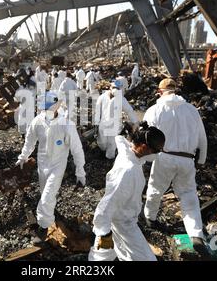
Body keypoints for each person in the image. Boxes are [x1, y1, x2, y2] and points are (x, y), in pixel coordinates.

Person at [143, 78, 208, 255]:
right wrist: (201, 160)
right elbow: (202, 138)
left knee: (156, 189)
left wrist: (146, 160)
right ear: (176, 91)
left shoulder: (154, 110)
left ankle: (150, 218)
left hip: (164, 157)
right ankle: (196, 235)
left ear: (160, 92)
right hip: (187, 159)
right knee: (188, 196)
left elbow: (145, 137)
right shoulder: (192, 110)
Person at [15, 92, 86, 243]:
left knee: (46, 197)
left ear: (57, 106)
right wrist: (23, 157)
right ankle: (49, 213)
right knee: (45, 194)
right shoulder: (37, 122)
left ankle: (43, 227)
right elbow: (30, 142)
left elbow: (77, 149)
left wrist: (80, 171)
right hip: (43, 164)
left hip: (58, 165)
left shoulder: (66, 125)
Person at [89, 122, 165, 261]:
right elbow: (108, 202)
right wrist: (104, 233)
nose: (156, 155)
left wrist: (129, 133)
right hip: (123, 224)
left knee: (102, 256)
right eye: (156, 151)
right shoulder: (128, 171)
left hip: (118, 219)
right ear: (143, 147)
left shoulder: (129, 154)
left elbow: (121, 140)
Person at [95, 80, 139, 159]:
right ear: (110, 88)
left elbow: (129, 110)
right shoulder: (102, 97)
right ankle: (102, 151)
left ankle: (109, 158)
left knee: (112, 143)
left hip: (115, 125)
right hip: (103, 124)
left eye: (117, 88)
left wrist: (135, 122)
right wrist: (96, 123)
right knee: (102, 142)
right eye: (114, 87)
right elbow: (97, 110)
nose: (115, 90)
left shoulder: (121, 99)